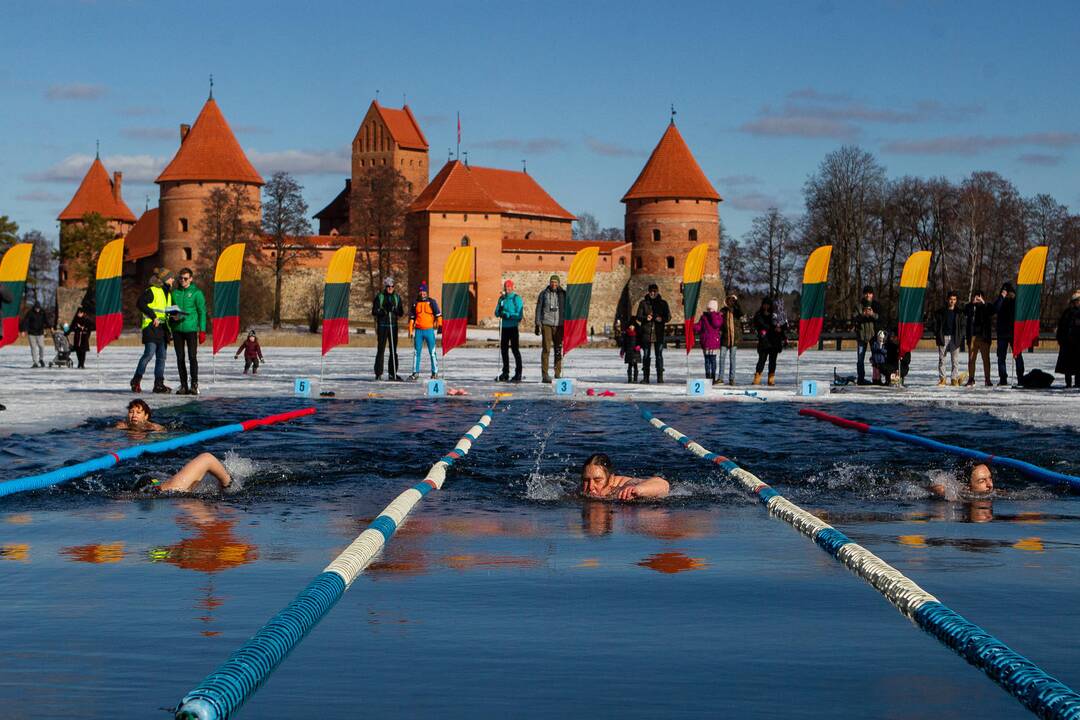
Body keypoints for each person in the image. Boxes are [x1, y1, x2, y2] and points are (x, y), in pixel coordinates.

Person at [132, 268, 175, 394]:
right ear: (166, 279)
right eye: (171, 277)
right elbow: (140, 303)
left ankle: (158, 384)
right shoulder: (152, 290)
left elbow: (166, 311)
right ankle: (136, 380)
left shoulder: (168, 293)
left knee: (161, 357)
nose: (173, 280)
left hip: (163, 329)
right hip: (151, 327)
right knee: (149, 354)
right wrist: (153, 316)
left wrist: (175, 315)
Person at [168, 267, 206, 395]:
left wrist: (202, 330)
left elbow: (202, 312)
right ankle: (183, 385)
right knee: (180, 358)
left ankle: (194, 385)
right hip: (177, 329)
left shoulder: (197, 293)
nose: (182, 281)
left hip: (191, 329)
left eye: (185, 278)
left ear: (190, 279)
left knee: (192, 357)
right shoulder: (174, 293)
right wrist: (171, 322)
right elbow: (169, 310)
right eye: (180, 278)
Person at [580, 453, 669, 501]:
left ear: (611, 479)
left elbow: (663, 484)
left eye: (597, 480)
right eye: (586, 480)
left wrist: (639, 490)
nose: (590, 487)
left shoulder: (624, 486)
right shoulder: (581, 490)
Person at [133, 452, 232, 494]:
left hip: (156, 485)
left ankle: (228, 483)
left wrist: (227, 485)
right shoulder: (175, 488)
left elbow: (207, 458)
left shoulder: (175, 486)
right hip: (154, 486)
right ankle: (228, 483)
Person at [635, 283, 671, 384]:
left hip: (658, 333)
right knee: (646, 355)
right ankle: (646, 377)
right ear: (648, 291)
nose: (653, 293)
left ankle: (660, 377)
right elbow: (638, 316)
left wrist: (661, 318)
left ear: (657, 291)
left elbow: (668, 317)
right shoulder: (643, 303)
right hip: (647, 332)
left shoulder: (663, 303)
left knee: (659, 355)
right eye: (651, 291)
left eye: (654, 291)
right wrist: (645, 318)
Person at [534, 275, 566, 383]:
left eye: (556, 282)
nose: (554, 284)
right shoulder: (543, 294)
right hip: (546, 324)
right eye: (552, 282)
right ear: (550, 282)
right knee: (546, 349)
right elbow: (538, 308)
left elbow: (569, 308)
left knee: (558, 350)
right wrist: (537, 323)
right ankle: (545, 375)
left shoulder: (563, 294)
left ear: (558, 283)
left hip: (559, 325)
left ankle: (557, 374)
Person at [372, 276, 405, 381]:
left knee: (393, 350)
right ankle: (378, 373)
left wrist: (394, 309)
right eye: (388, 286)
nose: (390, 288)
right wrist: (384, 311)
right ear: (385, 287)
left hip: (393, 326)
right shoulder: (380, 297)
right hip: (382, 326)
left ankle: (393, 373)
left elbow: (401, 312)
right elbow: (374, 311)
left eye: (392, 286)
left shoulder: (397, 297)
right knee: (381, 350)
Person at [408, 281, 442, 380]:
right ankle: (415, 373)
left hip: (429, 331)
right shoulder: (415, 303)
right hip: (418, 331)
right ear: (419, 292)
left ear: (427, 292)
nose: (423, 294)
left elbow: (438, 315)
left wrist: (440, 326)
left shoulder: (432, 302)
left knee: (432, 352)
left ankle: (435, 372)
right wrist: (410, 330)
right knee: (416, 352)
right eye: (421, 292)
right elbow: (412, 318)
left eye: (424, 292)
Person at [931, 290, 966, 386]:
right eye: (951, 299)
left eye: (954, 299)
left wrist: (961, 335)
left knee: (955, 360)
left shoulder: (959, 312)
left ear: (956, 300)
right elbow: (935, 324)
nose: (952, 301)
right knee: (942, 359)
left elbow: (963, 325)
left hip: (955, 338)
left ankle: (954, 379)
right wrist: (937, 333)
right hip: (943, 337)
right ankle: (942, 379)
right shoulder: (941, 312)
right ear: (947, 300)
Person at [993, 282, 1024, 385]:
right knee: (1001, 357)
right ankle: (1003, 378)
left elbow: (1021, 313)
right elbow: (996, 309)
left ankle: (1020, 377)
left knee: (1018, 355)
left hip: (1014, 333)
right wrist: (1002, 297)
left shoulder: (1016, 301)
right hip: (1002, 333)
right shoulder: (1000, 300)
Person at [752, 297, 786, 386]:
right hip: (764, 341)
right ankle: (757, 377)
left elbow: (782, 325)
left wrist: (781, 331)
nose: (766, 306)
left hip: (774, 341)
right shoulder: (759, 314)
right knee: (762, 360)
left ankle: (771, 378)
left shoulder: (775, 315)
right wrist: (770, 328)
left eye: (768, 305)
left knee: (773, 361)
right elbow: (758, 324)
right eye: (765, 304)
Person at [495, 279, 523, 382]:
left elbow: (519, 315)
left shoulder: (516, 299)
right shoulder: (502, 299)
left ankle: (518, 372)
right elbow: (496, 312)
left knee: (515, 350)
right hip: (503, 328)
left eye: (509, 287)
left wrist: (508, 315)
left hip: (513, 327)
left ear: (512, 287)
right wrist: (500, 313)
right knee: (504, 350)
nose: (507, 289)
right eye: (506, 287)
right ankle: (505, 372)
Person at [964, 290, 994, 387]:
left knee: (986, 359)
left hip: (984, 337)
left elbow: (991, 312)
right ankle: (971, 379)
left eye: (978, 297)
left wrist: (983, 302)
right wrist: (972, 304)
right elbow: (966, 312)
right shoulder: (969, 307)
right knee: (971, 359)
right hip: (972, 337)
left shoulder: (987, 306)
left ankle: (987, 379)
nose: (976, 299)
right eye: (975, 297)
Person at [694, 299, 724, 383]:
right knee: (707, 361)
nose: (709, 310)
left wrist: (713, 314)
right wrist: (693, 326)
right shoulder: (704, 317)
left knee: (713, 361)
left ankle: (713, 377)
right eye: (708, 309)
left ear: (714, 309)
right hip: (705, 342)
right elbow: (699, 327)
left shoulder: (718, 317)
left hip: (714, 342)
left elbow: (716, 324)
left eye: (711, 309)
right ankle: (707, 377)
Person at [1055, 290, 1080, 388]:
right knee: (1067, 366)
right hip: (1067, 343)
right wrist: (1060, 339)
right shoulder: (1067, 312)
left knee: (1078, 365)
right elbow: (1061, 327)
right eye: (1077, 301)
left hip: (1078, 344)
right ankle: (1068, 383)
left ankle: (1078, 383)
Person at [930, 463, 994, 499]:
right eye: (982, 481)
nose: (990, 485)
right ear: (967, 486)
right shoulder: (957, 496)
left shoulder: (996, 493)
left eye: (990, 478)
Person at [717, 293, 742, 385]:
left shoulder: (736, 311)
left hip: (734, 338)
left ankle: (732, 378)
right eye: (729, 300)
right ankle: (720, 378)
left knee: (732, 359)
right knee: (722, 358)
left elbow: (741, 313)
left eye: (732, 300)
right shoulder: (723, 310)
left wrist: (736, 303)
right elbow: (718, 322)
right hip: (724, 338)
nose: (731, 302)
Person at [853, 299, 879, 385]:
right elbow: (854, 318)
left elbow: (880, 318)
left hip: (873, 336)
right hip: (861, 336)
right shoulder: (858, 306)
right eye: (866, 293)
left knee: (876, 358)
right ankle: (861, 378)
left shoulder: (875, 305)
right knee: (860, 359)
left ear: (872, 295)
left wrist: (872, 314)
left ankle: (876, 378)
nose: (868, 295)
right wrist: (863, 314)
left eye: (870, 293)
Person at [20, 302, 49, 368]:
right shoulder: (30, 313)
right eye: (36, 308)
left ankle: (41, 359)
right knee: (33, 348)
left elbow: (46, 320)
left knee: (41, 346)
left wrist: (50, 327)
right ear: (34, 308)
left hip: (40, 333)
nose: (37, 310)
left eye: (38, 308)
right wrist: (23, 330)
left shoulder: (42, 312)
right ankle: (35, 362)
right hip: (31, 333)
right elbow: (25, 321)